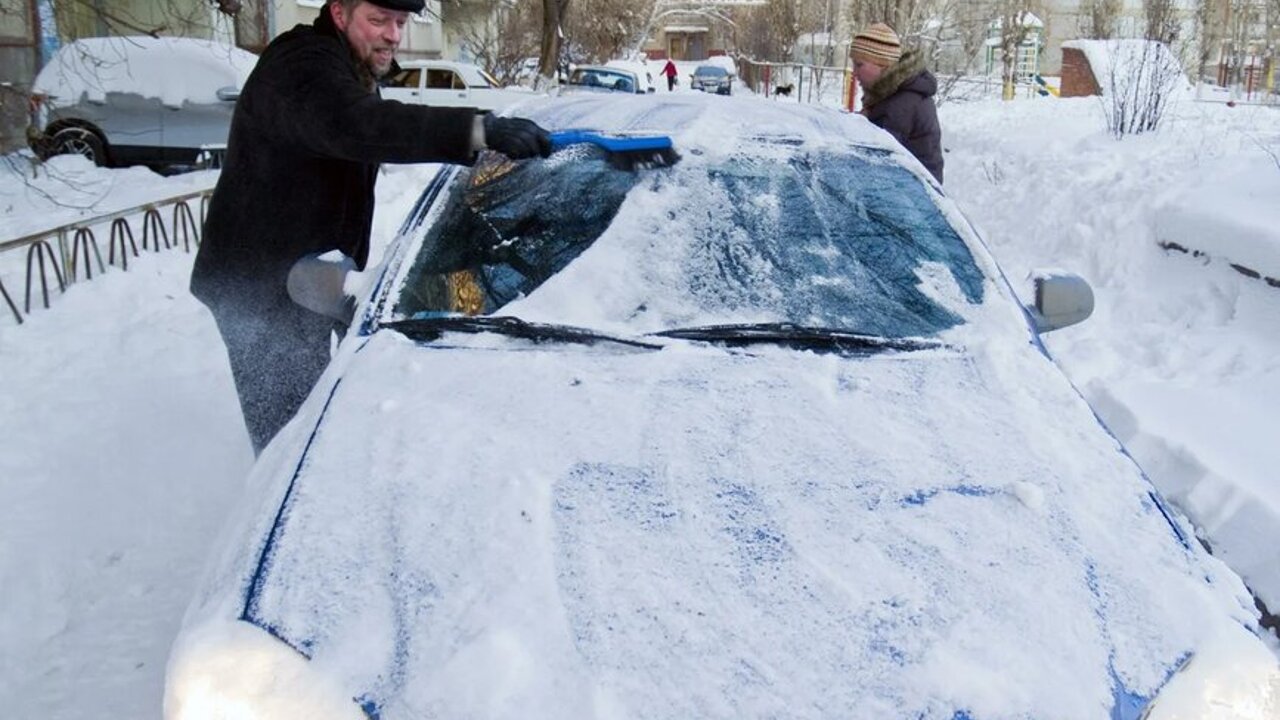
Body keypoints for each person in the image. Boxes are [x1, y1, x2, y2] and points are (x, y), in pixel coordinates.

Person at [191, 0, 552, 455]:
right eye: (378, 20)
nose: (392, 35)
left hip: (309, 280)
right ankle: (283, 518)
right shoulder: (300, 65)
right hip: (259, 289)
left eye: (400, 22)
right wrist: (476, 131)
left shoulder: (348, 68)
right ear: (339, 14)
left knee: (315, 423)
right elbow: (358, 125)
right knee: (289, 448)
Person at [851, 23, 943, 184]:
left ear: (883, 64)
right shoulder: (891, 95)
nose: (854, 72)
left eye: (859, 64)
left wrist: (859, 126)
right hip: (907, 195)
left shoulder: (901, 103)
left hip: (912, 199)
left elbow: (876, 159)